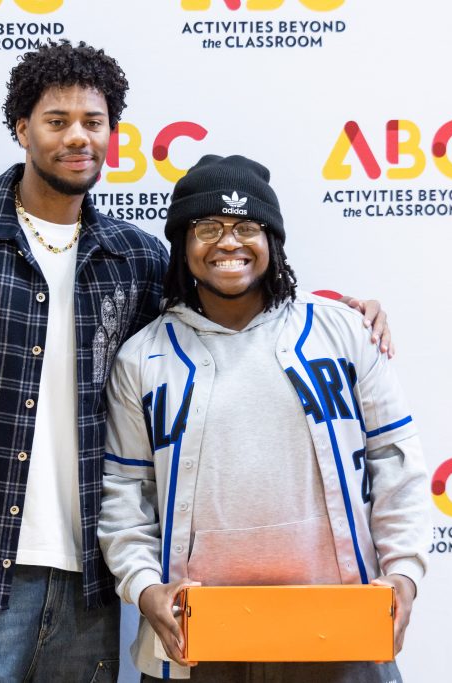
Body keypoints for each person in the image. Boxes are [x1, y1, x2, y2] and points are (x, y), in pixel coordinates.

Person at [0, 41, 393, 682]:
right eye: (57, 121)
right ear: (22, 129)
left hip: (91, 587)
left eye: (93, 121)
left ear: (112, 133)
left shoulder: (135, 259)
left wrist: (344, 314)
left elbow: (226, 310)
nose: (77, 137)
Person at [98, 154, 431, 682]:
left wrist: (404, 575)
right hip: (194, 641)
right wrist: (144, 588)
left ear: (272, 240)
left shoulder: (343, 330)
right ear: (182, 244)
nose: (229, 243)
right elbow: (125, 493)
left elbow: (396, 465)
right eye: (208, 227)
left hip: (342, 631)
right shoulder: (143, 357)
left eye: (247, 227)